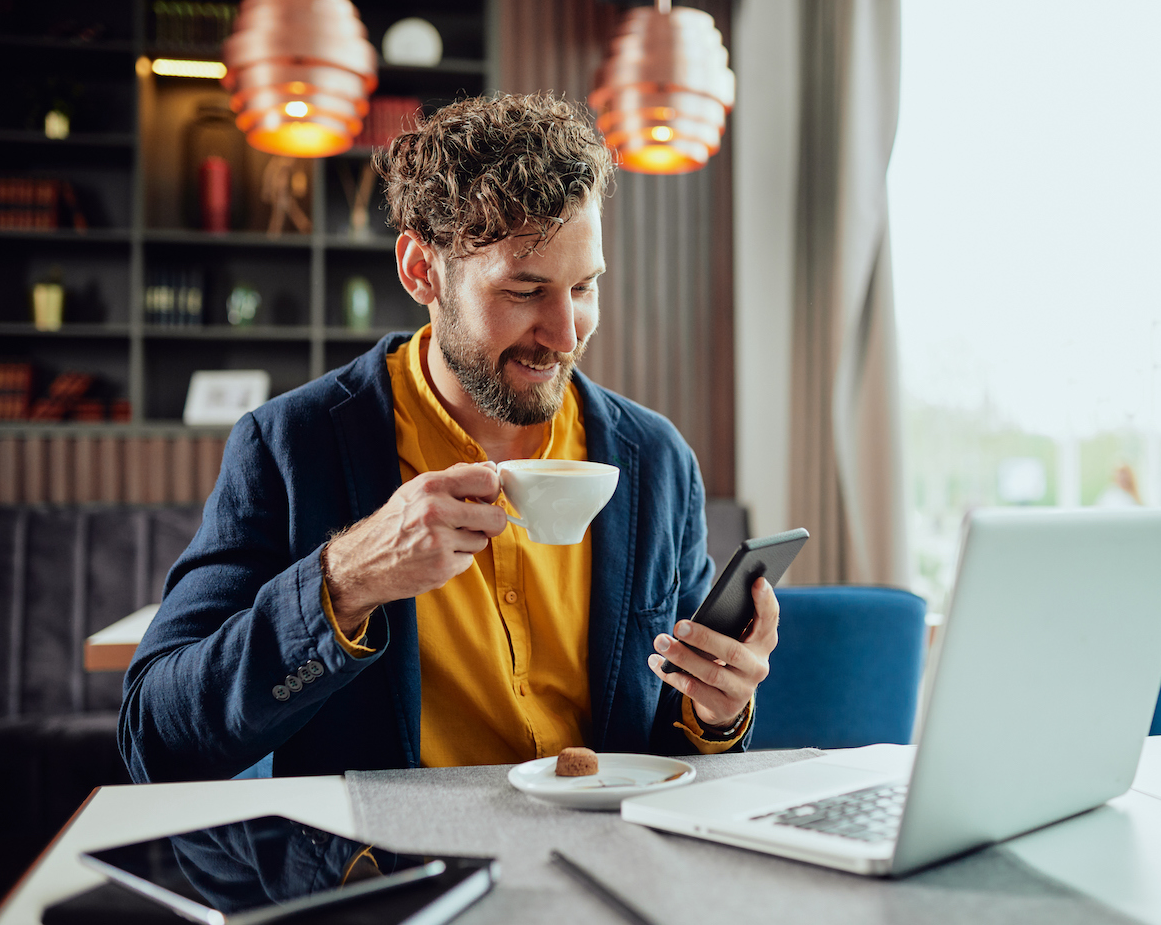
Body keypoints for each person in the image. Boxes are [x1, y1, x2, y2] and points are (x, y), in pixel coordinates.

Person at [119, 94, 778, 782]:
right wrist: (347, 580)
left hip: (607, 859)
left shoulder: (656, 460)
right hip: (398, 871)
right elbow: (155, 740)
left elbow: (671, 742)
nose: (566, 334)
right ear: (420, 271)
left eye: (584, 287)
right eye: (525, 292)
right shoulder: (290, 446)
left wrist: (717, 714)